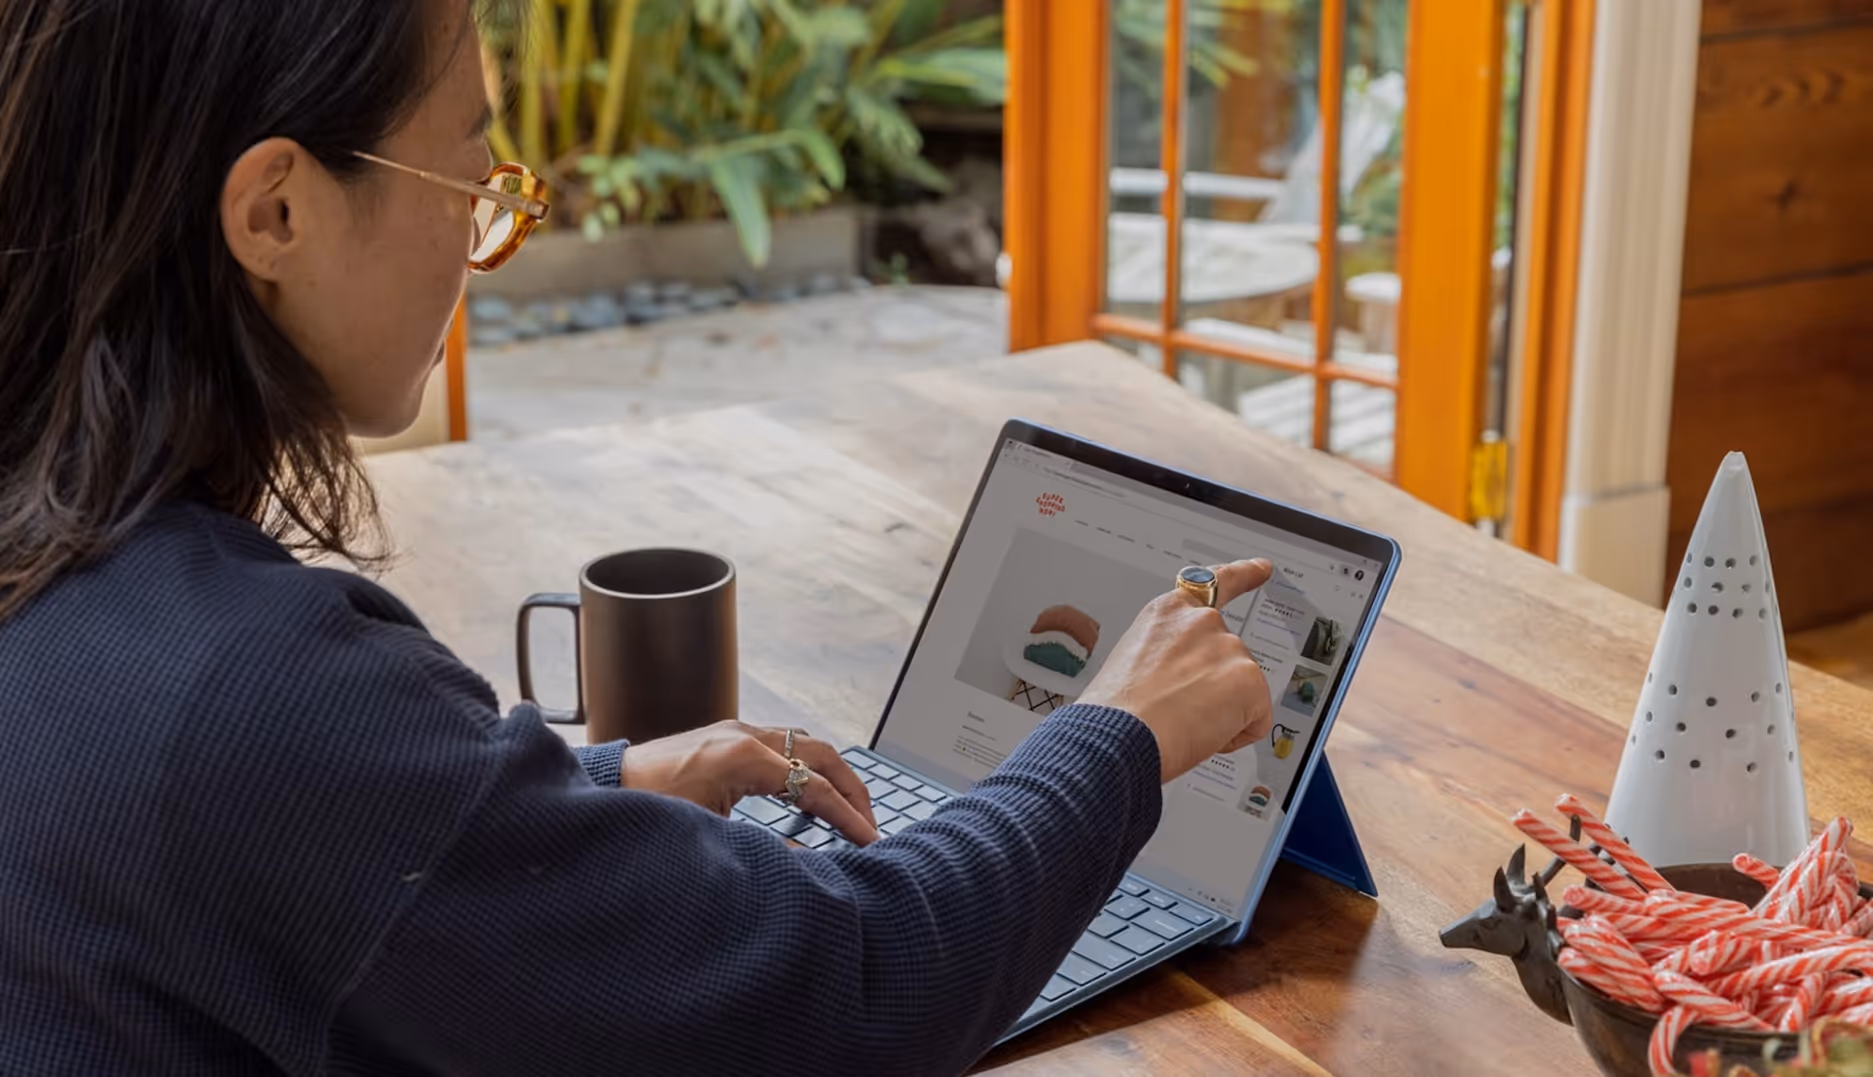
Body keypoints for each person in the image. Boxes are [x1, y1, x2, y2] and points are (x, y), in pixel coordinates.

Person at [0, 2, 1276, 1074]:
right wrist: (1119, 733)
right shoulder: (255, 694)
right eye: (466, 175)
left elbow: (310, 869)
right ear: (274, 213)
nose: (482, 238)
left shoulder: (70, 577)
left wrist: (584, 805)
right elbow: (850, 988)